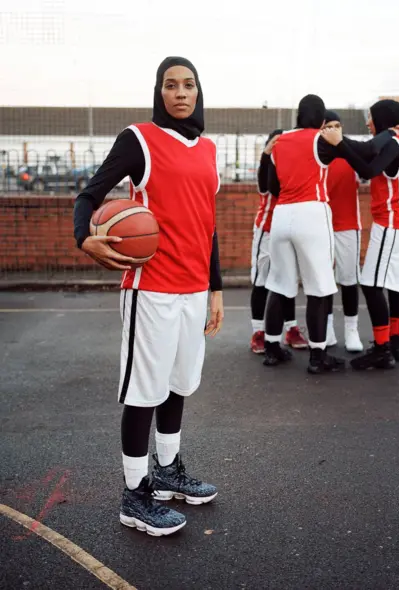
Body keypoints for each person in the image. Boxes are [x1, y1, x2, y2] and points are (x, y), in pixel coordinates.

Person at [73, 56, 224, 536]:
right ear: (159, 92)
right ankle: (134, 496)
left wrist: (216, 288)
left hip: (194, 289)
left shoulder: (209, 149)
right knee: (144, 393)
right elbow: (89, 194)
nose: (180, 93)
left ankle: (167, 472)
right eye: (170, 85)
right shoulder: (139, 139)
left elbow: (208, 225)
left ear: (199, 92)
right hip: (151, 288)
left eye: (189, 85)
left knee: (179, 384)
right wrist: (84, 238)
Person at [263, 94, 394, 373]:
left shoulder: (279, 141)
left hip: (282, 214)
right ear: (322, 121)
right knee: (319, 288)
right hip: (312, 212)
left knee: (279, 284)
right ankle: (318, 355)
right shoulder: (320, 140)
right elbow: (368, 150)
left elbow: (272, 186)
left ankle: (272, 348)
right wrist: (390, 132)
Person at [321, 99, 399, 370]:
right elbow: (365, 150)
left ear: (382, 119)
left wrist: (340, 144)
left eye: (371, 118)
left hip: (393, 222)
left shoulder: (391, 143)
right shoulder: (396, 141)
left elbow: (366, 169)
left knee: (371, 284)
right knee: (395, 284)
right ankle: (396, 342)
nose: (368, 122)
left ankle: (382, 348)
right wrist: (339, 142)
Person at [250, 129, 308, 354]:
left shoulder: (293, 169)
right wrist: (266, 153)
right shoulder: (267, 168)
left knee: (288, 281)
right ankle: (258, 332)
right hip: (266, 231)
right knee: (262, 281)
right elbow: (265, 184)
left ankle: (290, 328)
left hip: (289, 230)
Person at [323, 110, 363, 353]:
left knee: (349, 280)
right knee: (324, 283)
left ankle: (351, 330)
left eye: (339, 125)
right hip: (321, 226)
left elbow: (376, 150)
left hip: (348, 226)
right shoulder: (316, 155)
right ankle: (326, 329)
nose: (336, 129)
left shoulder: (351, 154)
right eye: (330, 126)